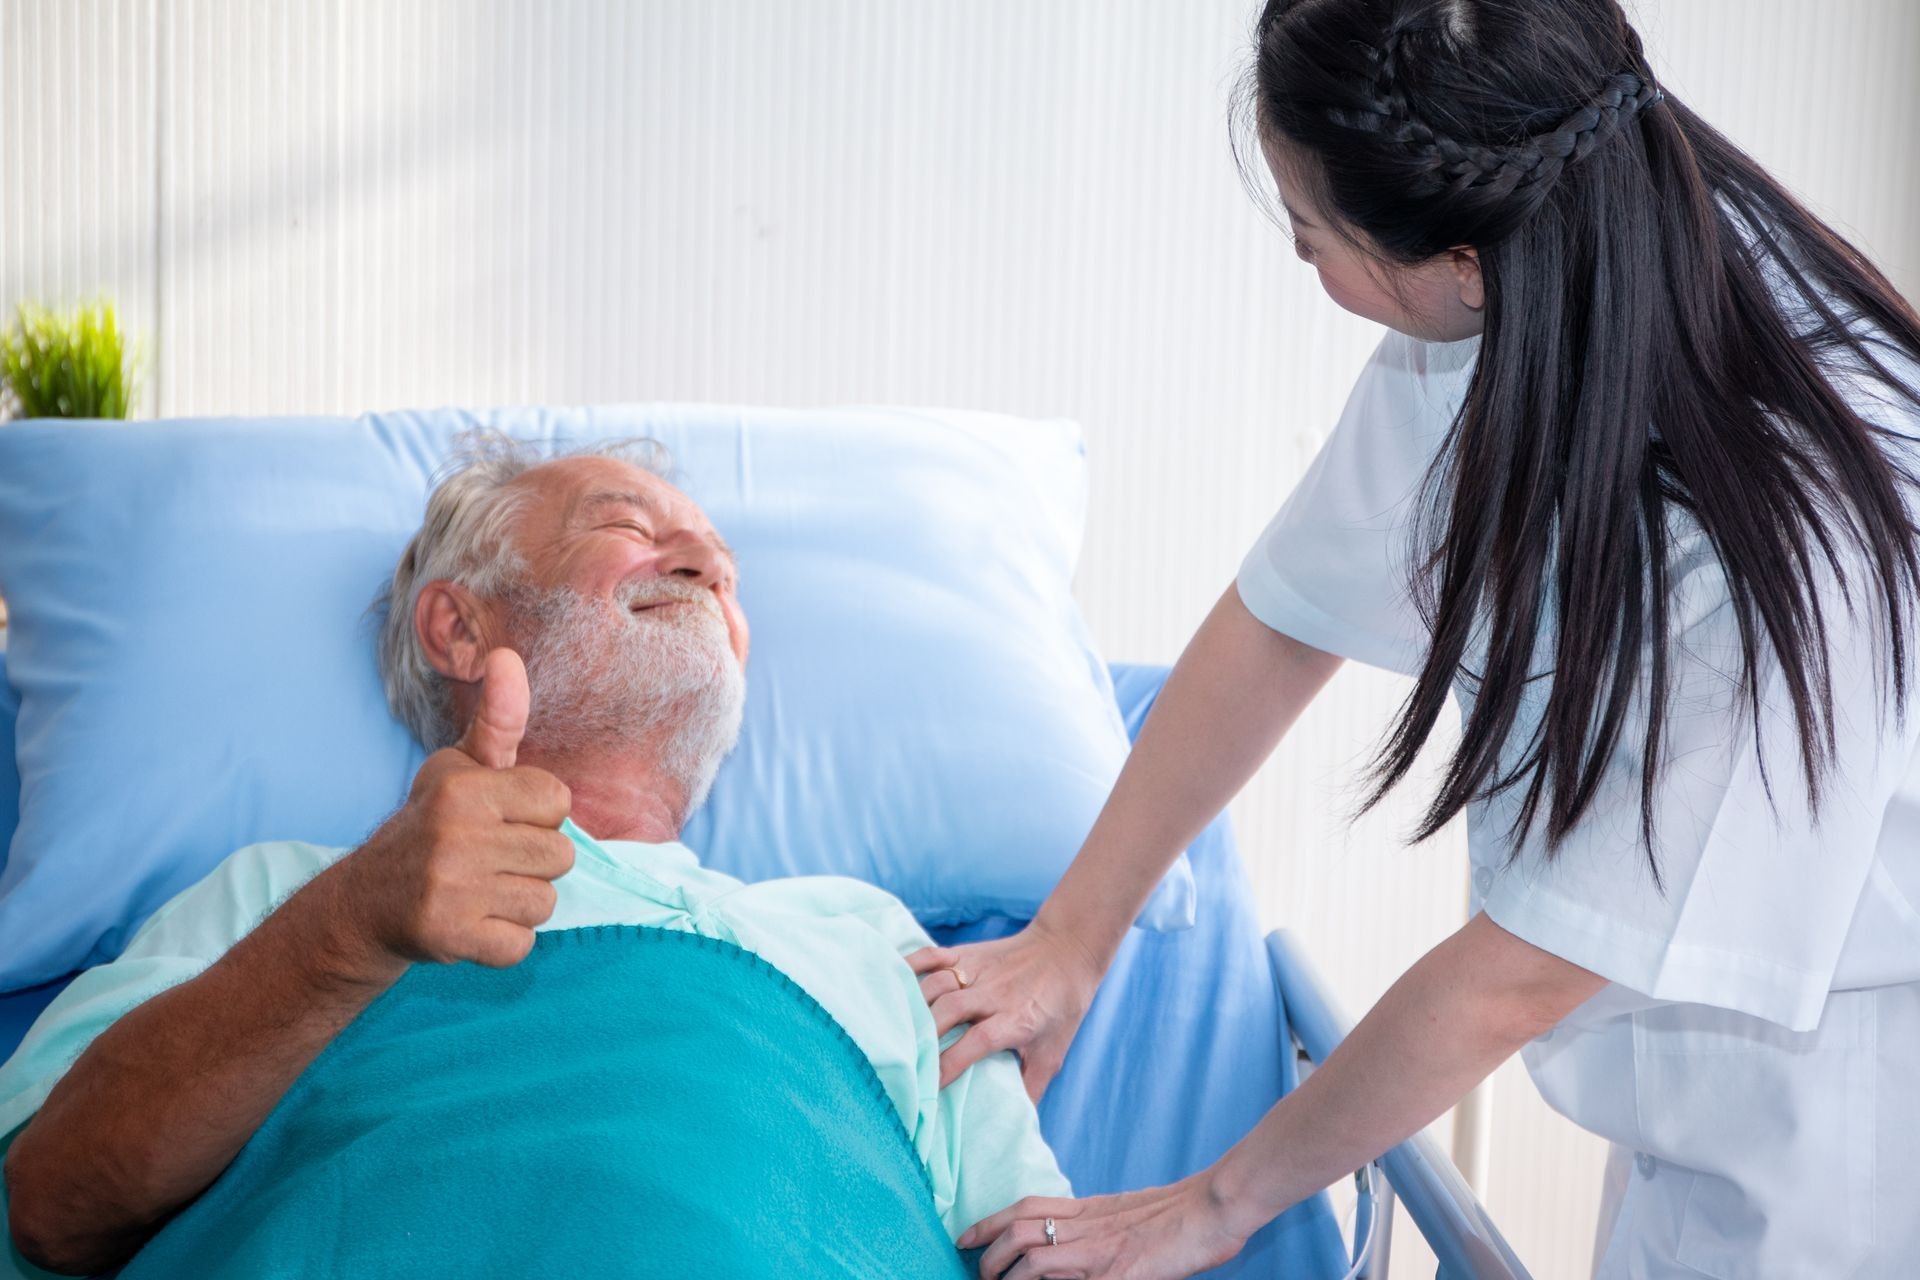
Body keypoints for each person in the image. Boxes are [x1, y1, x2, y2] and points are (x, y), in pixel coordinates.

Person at [907, 1, 1920, 1276]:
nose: (1298, 256)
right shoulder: (1545, 269)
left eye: (1310, 230)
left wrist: (1214, 1203)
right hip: (1682, 1082)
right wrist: (1070, 939)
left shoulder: (1789, 544)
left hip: (1859, 1141)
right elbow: (1285, 612)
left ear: (1462, 257)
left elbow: (1515, 978)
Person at [0, 435, 1067, 1276]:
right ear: (458, 629)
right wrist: (352, 926)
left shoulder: (873, 939)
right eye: (626, 525)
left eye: (727, 573)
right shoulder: (287, 895)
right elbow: (47, 1203)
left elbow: (1047, 1250)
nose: (705, 566)